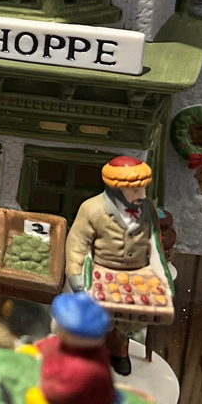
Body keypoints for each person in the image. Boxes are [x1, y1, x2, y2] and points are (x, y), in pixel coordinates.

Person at [64, 156, 164, 376]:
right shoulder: (92, 209)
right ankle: (92, 351)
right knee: (99, 317)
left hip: (136, 276)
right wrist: (77, 279)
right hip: (102, 273)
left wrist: (159, 273)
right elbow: (77, 245)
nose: (141, 195)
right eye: (135, 190)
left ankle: (119, 350)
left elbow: (154, 243)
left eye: (142, 189)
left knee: (126, 320)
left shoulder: (147, 209)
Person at [22, 292, 120, 404]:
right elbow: (53, 343)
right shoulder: (67, 342)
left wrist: (46, 396)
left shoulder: (84, 367)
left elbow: (64, 390)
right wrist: (38, 349)